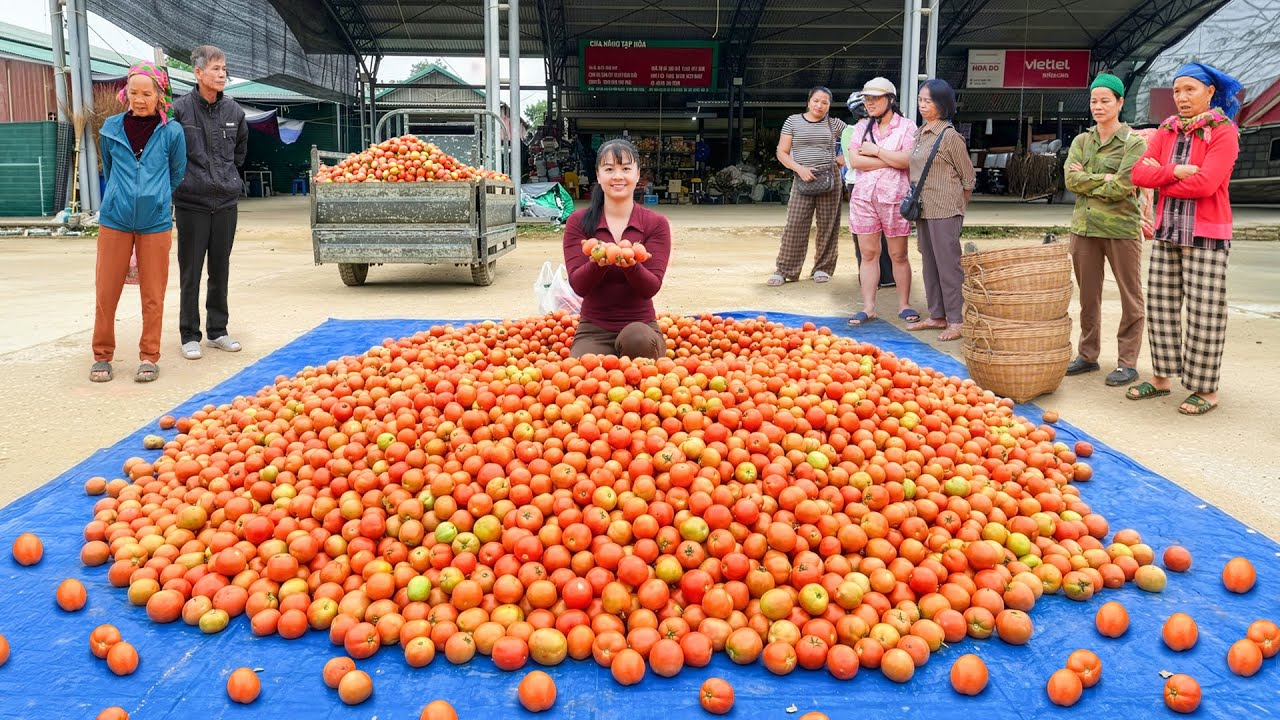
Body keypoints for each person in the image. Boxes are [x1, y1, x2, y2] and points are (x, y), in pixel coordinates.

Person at [1130, 62, 1243, 416]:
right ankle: (1162, 378)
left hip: (1207, 234)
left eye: (1189, 90)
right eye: (1177, 91)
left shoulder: (1223, 131)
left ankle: (1205, 390)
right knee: (1161, 307)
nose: (1181, 97)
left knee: (1204, 312)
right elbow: (1138, 172)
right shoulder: (1167, 129)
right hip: (1167, 232)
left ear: (1210, 92)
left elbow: (1207, 183)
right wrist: (1175, 172)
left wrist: (1160, 177)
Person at [91, 62, 186, 383]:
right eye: (134, 93)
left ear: (160, 95)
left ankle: (149, 356)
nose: (140, 99)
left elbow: (177, 172)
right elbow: (109, 167)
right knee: (106, 291)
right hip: (114, 219)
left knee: (153, 293)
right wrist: (121, 196)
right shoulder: (110, 128)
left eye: (147, 93)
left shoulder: (172, 131)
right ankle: (102, 356)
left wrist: (156, 197)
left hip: (155, 222)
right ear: (126, 93)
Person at [1062, 73, 1149, 387]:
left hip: (1120, 228)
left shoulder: (1133, 142)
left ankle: (1127, 362)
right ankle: (1088, 354)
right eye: (1094, 101)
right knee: (1089, 296)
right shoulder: (1082, 141)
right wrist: (1106, 179)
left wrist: (1092, 179)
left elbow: (1125, 185)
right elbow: (1071, 181)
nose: (1098, 106)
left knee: (1130, 296)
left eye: (1105, 101)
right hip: (1084, 228)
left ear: (1120, 102)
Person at [172, 44, 248, 360]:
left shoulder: (235, 112)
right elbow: (171, 156)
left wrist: (228, 179)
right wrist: (188, 182)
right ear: (198, 72)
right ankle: (189, 334)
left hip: (226, 202)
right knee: (190, 271)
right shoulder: (179, 111)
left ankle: (218, 331)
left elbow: (240, 153)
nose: (222, 74)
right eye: (215, 68)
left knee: (221, 268)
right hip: (191, 202)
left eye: (224, 68)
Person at [562, 138, 670, 359]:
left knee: (637, 338)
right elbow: (578, 285)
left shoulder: (655, 224)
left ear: (638, 175)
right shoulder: (579, 222)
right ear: (598, 175)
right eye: (609, 169)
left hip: (640, 325)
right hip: (594, 329)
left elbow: (651, 287)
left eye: (626, 169)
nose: (618, 176)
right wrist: (597, 264)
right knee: (584, 376)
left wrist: (631, 267)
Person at [841, 77, 918, 326]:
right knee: (869, 253)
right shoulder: (862, 127)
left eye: (876, 98)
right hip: (864, 198)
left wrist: (875, 152)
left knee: (898, 254)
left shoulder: (907, 127)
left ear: (890, 100)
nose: (870, 103)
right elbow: (855, 161)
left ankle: (904, 305)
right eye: (867, 98)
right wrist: (890, 159)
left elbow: (908, 160)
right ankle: (868, 307)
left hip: (895, 198)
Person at [905, 79, 975, 342]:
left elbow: (968, 178)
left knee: (948, 266)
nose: (923, 105)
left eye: (929, 101)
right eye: (920, 100)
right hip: (923, 209)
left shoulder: (950, 137)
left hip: (945, 211)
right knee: (929, 263)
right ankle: (937, 314)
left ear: (942, 104)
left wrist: (957, 207)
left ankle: (956, 319)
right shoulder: (921, 133)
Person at [768, 86, 847, 286]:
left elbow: (857, 141)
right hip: (802, 177)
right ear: (808, 101)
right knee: (795, 225)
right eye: (816, 101)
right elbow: (782, 152)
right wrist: (799, 169)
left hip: (830, 179)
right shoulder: (793, 121)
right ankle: (785, 270)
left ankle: (823, 268)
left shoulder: (835, 124)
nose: (819, 105)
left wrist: (841, 159)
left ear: (829, 105)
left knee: (828, 226)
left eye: (825, 102)